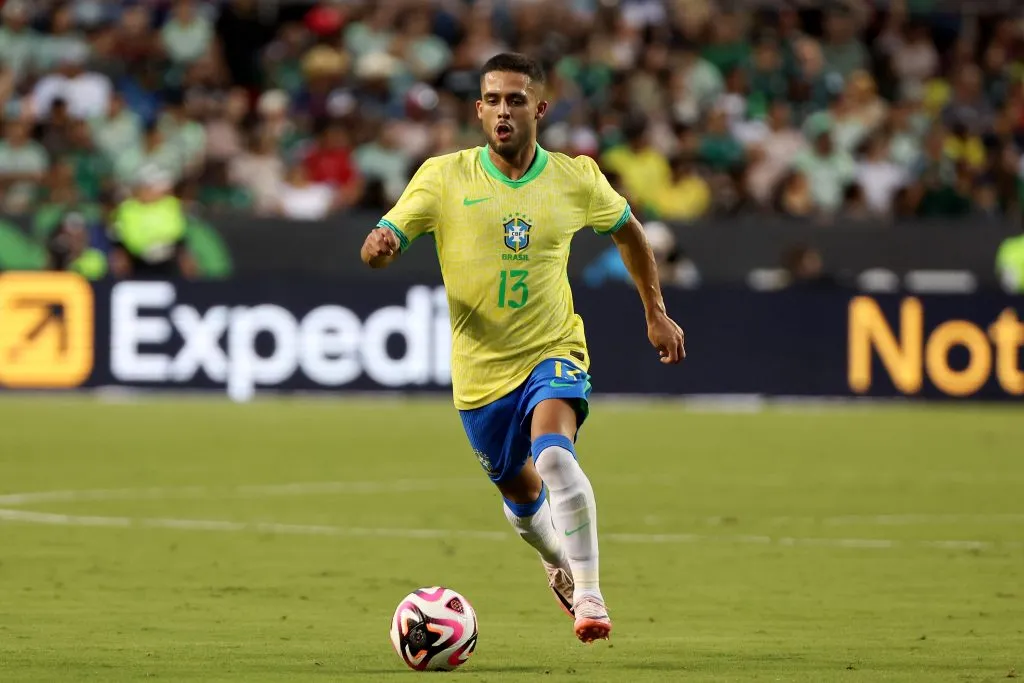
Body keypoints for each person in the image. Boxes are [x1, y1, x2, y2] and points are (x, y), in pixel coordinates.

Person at [359, 53, 685, 644]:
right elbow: (384, 239)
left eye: (515, 99)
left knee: (556, 456)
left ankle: (589, 595)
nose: (503, 111)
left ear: (538, 108)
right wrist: (380, 245)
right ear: (478, 110)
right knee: (521, 492)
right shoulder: (442, 177)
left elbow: (629, 231)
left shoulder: (575, 177)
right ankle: (559, 562)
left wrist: (655, 311)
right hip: (480, 373)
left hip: (553, 347)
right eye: (493, 100)